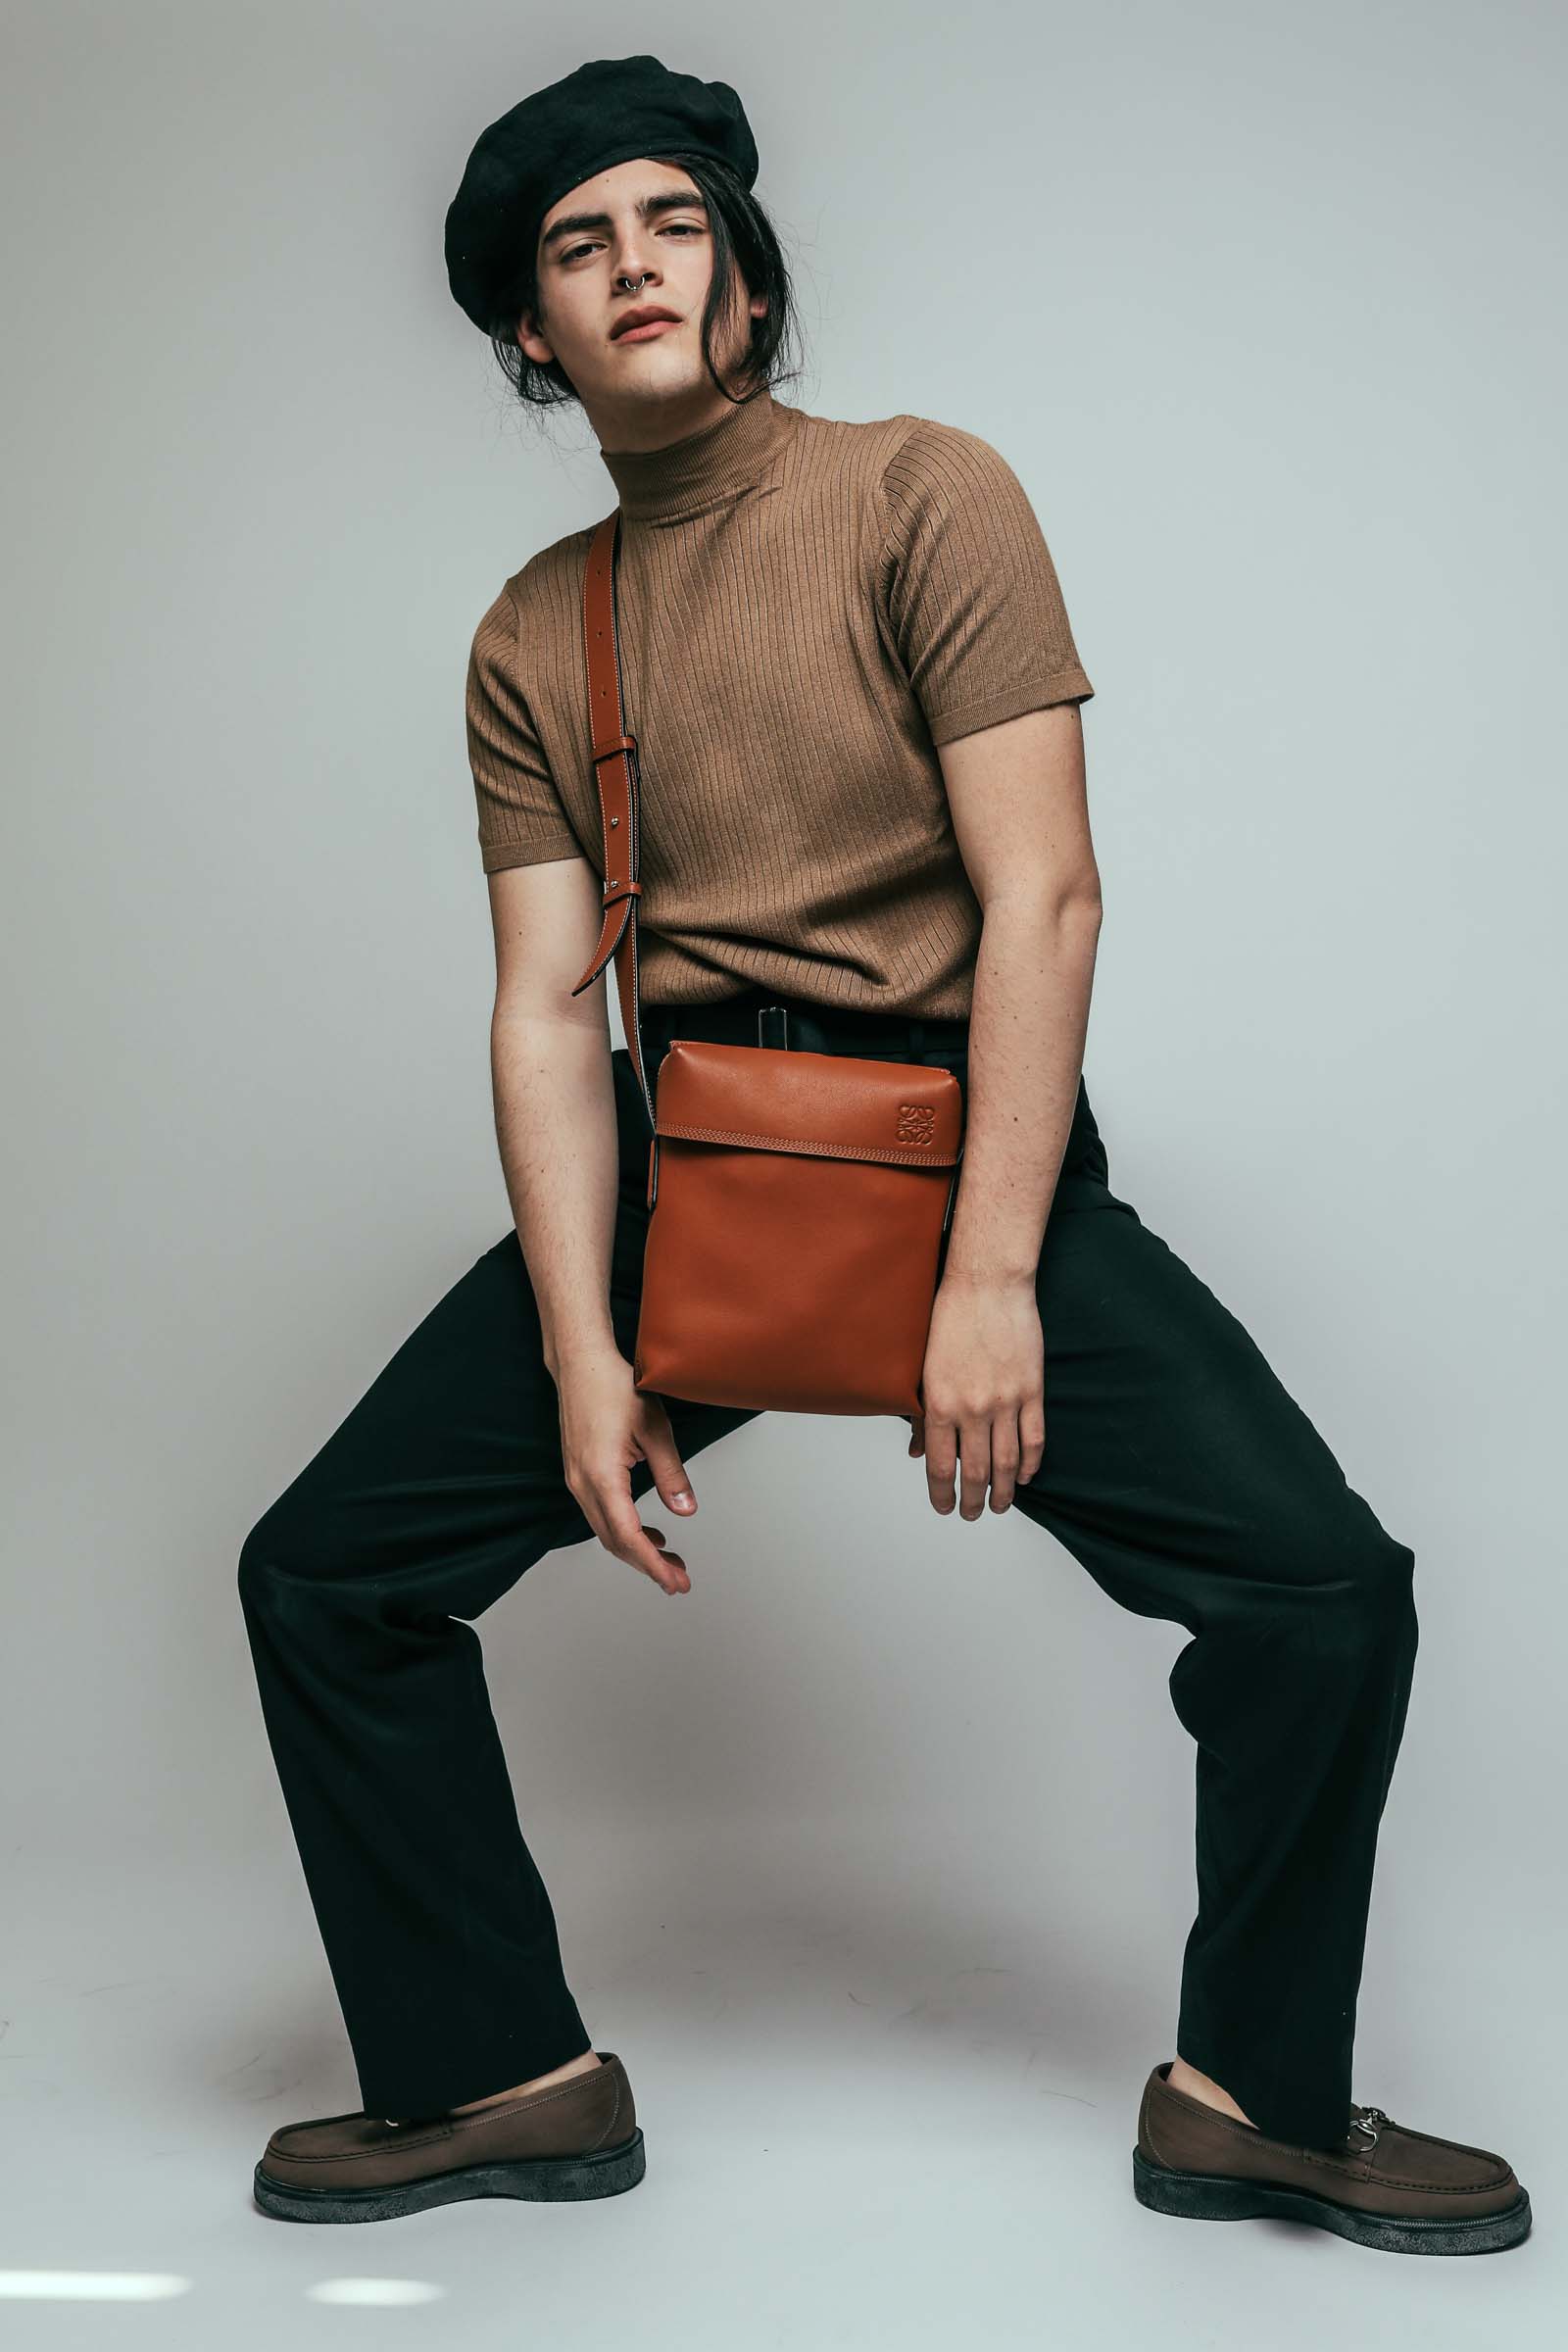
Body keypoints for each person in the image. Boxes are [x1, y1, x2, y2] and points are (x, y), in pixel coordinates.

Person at [239, 54, 1529, 2253]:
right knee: (328, 1577)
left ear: (743, 278)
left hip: (958, 1151)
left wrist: (993, 1276)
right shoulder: (534, 630)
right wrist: (581, 1348)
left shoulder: (927, 492)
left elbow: (1046, 899)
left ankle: (1255, 2096)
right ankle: (493, 2074)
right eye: (577, 247)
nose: (634, 266)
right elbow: (547, 1007)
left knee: (1323, 1594)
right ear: (532, 333)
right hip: (699, 1165)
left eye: (672, 222)